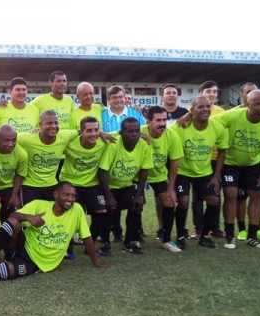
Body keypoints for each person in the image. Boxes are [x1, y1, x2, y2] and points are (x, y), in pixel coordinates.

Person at [0, 181, 109, 284]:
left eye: (73, 196)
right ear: (56, 195)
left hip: (36, 262)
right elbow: (13, 216)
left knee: (3, 272)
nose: (70, 199)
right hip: (21, 246)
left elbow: (87, 237)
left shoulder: (76, 210)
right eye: (66, 195)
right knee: (13, 222)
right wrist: (28, 217)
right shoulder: (39, 205)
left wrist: (96, 262)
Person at [214, 89, 260, 249]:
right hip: (230, 163)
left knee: (257, 195)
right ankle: (230, 236)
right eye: (257, 104)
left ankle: (253, 236)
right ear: (247, 104)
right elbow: (212, 123)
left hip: (252, 165)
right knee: (231, 195)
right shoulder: (233, 115)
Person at [170, 96, 228, 249]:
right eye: (200, 107)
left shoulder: (217, 127)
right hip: (183, 171)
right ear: (192, 110)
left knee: (214, 201)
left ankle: (204, 236)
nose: (205, 109)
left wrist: (216, 175)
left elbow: (222, 150)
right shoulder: (181, 126)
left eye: (208, 106)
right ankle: (181, 235)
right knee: (183, 202)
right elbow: (166, 138)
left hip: (205, 172)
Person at [98, 118, 153, 254]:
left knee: (136, 206)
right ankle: (105, 243)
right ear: (121, 133)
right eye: (130, 131)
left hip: (127, 185)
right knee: (108, 210)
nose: (134, 134)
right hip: (109, 186)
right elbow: (102, 172)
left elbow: (144, 171)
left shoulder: (144, 145)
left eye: (137, 131)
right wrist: (109, 197)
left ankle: (129, 243)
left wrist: (139, 195)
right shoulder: (114, 144)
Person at [59, 116, 109, 254]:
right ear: (81, 131)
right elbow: (53, 138)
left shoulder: (103, 141)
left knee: (101, 212)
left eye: (96, 130)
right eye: (89, 130)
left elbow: (122, 132)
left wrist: (141, 133)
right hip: (70, 184)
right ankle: (67, 247)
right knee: (70, 214)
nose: (93, 134)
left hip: (92, 184)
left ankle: (90, 245)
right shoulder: (69, 143)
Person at [142, 106, 183, 252]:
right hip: (139, 175)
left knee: (169, 201)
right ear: (148, 122)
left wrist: (171, 189)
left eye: (164, 120)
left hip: (159, 175)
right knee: (136, 203)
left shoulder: (172, 136)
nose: (162, 123)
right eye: (158, 120)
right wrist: (139, 135)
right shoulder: (139, 131)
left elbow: (175, 162)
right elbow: (120, 135)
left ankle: (165, 239)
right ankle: (133, 238)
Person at [188, 80, 226, 239]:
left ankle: (214, 227)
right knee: (198, 196)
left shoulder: (222, 112)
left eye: (215, 92)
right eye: (208, 91)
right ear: (201, 93)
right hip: (200, 159)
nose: (212, 94)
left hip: (216, 159)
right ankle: (199, 227)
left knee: (215, 194)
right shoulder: (191, 112)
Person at [17, 110, 78, 204]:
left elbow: (81, 131)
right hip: (30, 186)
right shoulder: (27, 139)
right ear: (40, 125)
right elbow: (4, 136)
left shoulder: (64, 136)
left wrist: (100, 133)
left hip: (52, 185)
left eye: (56, 123)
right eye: (49, 123)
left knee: (54, 215)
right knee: (30, 216)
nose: (53, 126)